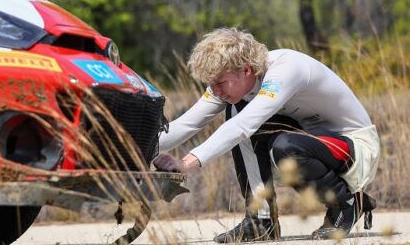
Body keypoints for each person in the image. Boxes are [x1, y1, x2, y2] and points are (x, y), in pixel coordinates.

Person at [154, 28, 380, 242]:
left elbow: (242, 126)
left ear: (246, 70)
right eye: (210, 84)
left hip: (356, 149)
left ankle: (347, 203)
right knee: (238, 109)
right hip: (314, 143)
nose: (216, 91)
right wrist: (131, 149)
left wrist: (185, 163)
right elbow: (186, 125)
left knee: (281, 143)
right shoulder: (229, 83)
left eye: (220, 83)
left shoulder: (286, 69)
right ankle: (261, 222)